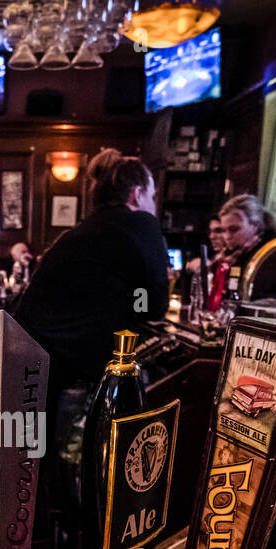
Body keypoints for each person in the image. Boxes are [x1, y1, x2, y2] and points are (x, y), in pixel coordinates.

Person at [14, 149, 169, 389]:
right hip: (72, 365)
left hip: (30, 357)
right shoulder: (142, 223)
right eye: (152, 196)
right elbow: (154, 309)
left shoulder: (85, 229)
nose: (153, 204)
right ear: (137, 194)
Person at [218, 194, 276, 301]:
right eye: (223, 230)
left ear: (255, 225)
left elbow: (249, 294)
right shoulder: (233, 253)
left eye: (234, 229)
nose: (227, 237)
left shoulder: (271, 250)